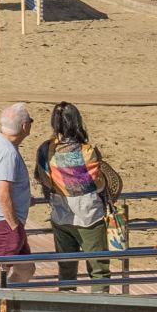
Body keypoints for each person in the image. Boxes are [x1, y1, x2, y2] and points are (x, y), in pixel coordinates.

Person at [32, 102, 114, 290]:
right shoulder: (88, 151)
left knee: (66, 271)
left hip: (60, 214)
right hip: (89, 216)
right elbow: (98, 183)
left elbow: (43, 180)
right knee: (99, 270)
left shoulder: (45, 150)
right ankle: (102, 310)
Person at [0, 103, 37, 286]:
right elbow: (3, 194)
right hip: (5, 221)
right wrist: (13, 226)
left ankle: (8, 304)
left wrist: (24, 199)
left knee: (26, 268)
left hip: (3, 218)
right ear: (24, 126)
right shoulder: (7, 152)